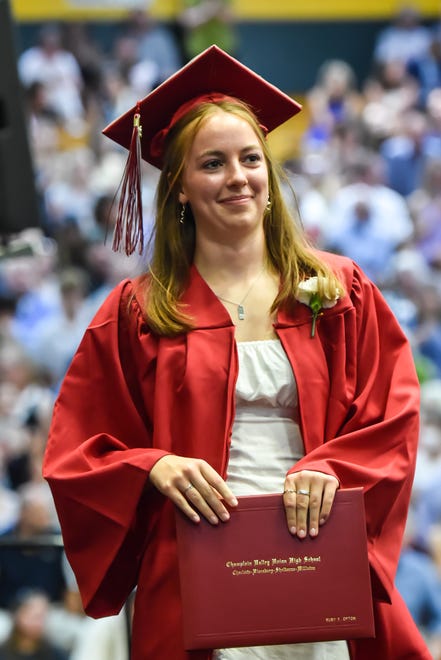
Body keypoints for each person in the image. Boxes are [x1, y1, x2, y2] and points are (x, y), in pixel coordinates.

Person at [43, 45, 429, 659]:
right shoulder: (139, 312)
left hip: (317, 545)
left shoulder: (339, 290)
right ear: (180, 191)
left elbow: (394, 417)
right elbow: (78, 450)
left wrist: (332, 469)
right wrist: (152, 467)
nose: (237, 177)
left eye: (251, 159)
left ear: (271, 179)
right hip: (198, 552)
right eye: (213, 164)